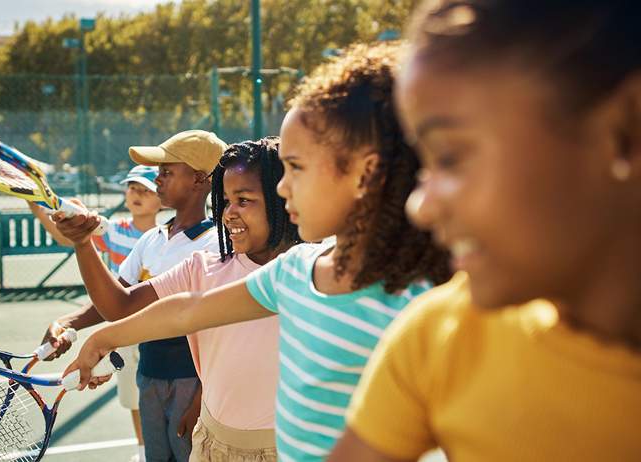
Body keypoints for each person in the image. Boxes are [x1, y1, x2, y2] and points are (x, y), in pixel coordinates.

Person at [64, 43, 451, 462]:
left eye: (296, 168)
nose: (283, 188)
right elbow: (188, 310)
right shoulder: (295, 271)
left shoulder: (424, 303)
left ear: (366, 173)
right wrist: (104, 336)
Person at [328, 2, 641, 461]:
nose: (420, 206)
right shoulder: (440, 338)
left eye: (450, 157)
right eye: (423, 164)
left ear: (626, 132)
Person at [54, 137, 300, 461]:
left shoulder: (313, 271)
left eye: (244, 200)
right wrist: (83, 244)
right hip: (213, 444)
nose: (229, 214)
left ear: (283, 197)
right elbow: (125, 306)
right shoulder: (202, 267)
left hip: (286, 447)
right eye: (226, 201)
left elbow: (186, 310)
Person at [46, 129, 227, 462]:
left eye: (166, 172)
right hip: (150, 375)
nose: (156, 180)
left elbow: (223, 335)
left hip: (192, 380)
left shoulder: (215, 245)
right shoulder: (152, 239)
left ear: (200, 180)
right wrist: (70, 322)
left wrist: (202, 397)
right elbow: (118, 297)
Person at [28, 165, 160, 462]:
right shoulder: (113, 230)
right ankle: (143, 452)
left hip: (156, 330)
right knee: (134, 400)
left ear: (160, 199)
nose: (137, 194)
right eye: (132, 188)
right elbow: (73, 233)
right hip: (121, 332)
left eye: (146, 190)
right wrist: (40, 210)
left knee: (157, 395)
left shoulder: (164, 238)